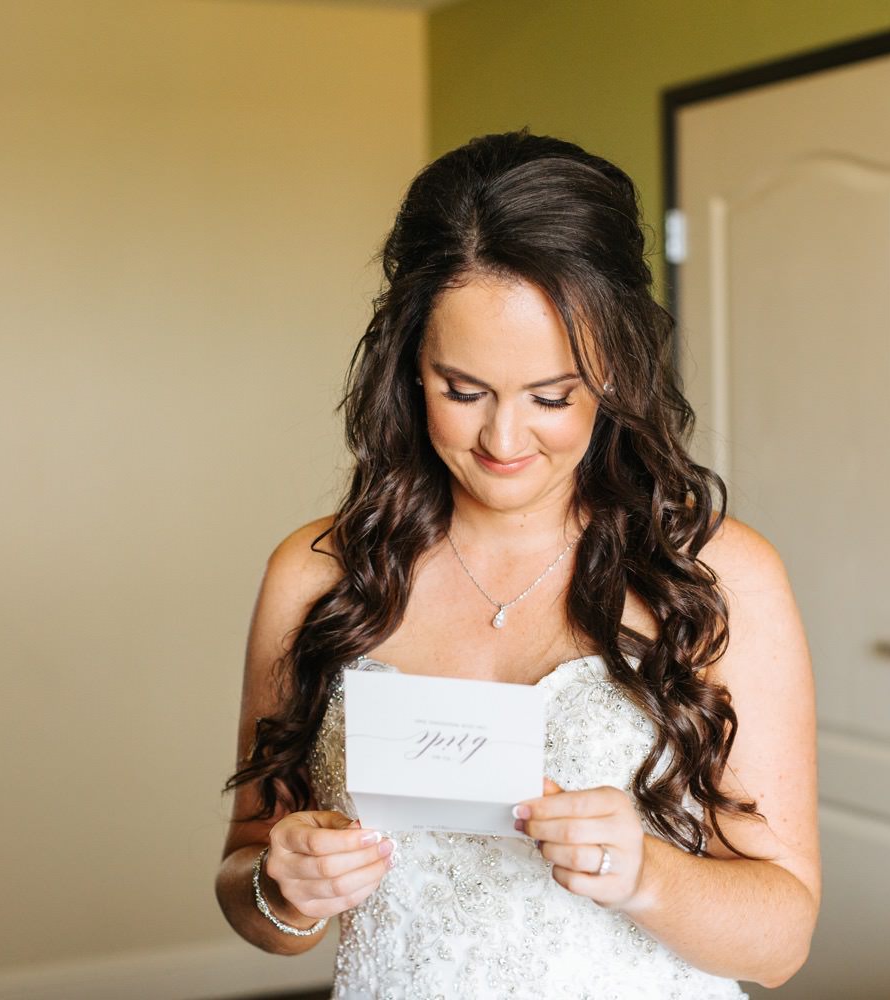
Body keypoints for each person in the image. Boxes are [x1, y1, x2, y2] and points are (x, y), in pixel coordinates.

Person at [215, 128, 819, 998]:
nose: (502, 439)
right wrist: (281, 887)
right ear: (407, 366)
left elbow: (782, 942)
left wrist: (647, 874)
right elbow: (247, 878)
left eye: (550, 396)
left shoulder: (720, 575)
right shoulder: (316, 575)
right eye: (462, 390)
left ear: (614, 372)